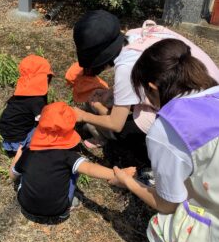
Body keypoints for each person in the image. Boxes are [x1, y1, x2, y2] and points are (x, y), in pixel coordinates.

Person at [113, 38, 219, 242]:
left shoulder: (169, 128)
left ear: (153, 87)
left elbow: (167, 205)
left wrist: (129, 182)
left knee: (159, 228)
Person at [73, 10, 219, 168]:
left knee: (125, 135)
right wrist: (111, 93)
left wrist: (82, 115)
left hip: (194, 116)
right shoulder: (135, 35)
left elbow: (116, 123)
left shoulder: (126, 67)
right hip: (210, 92)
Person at [9, 101, 135, 220]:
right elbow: (90, 168)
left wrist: (18, 156)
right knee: (75, 170)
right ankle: (68, 205)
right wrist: (118, 174)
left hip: (25, 206)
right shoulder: (67, 156)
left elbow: (12, 175)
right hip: (58, 210)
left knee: (24, 174)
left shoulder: (28, 153)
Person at [0, 54, 54, 160]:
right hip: (18, 137)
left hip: (7, 132)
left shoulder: (23, 91)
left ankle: (12, 148)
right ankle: (23, 150)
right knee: (48, 131)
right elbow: (44, 121)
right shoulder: (37, 100)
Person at [65, 62, 115, 148]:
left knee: (89, 124)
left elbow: (108, 116)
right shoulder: (94, 86)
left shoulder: (97, 95)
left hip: (111, 125)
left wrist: (88, 114)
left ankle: (101, 140)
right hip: (107, 115)